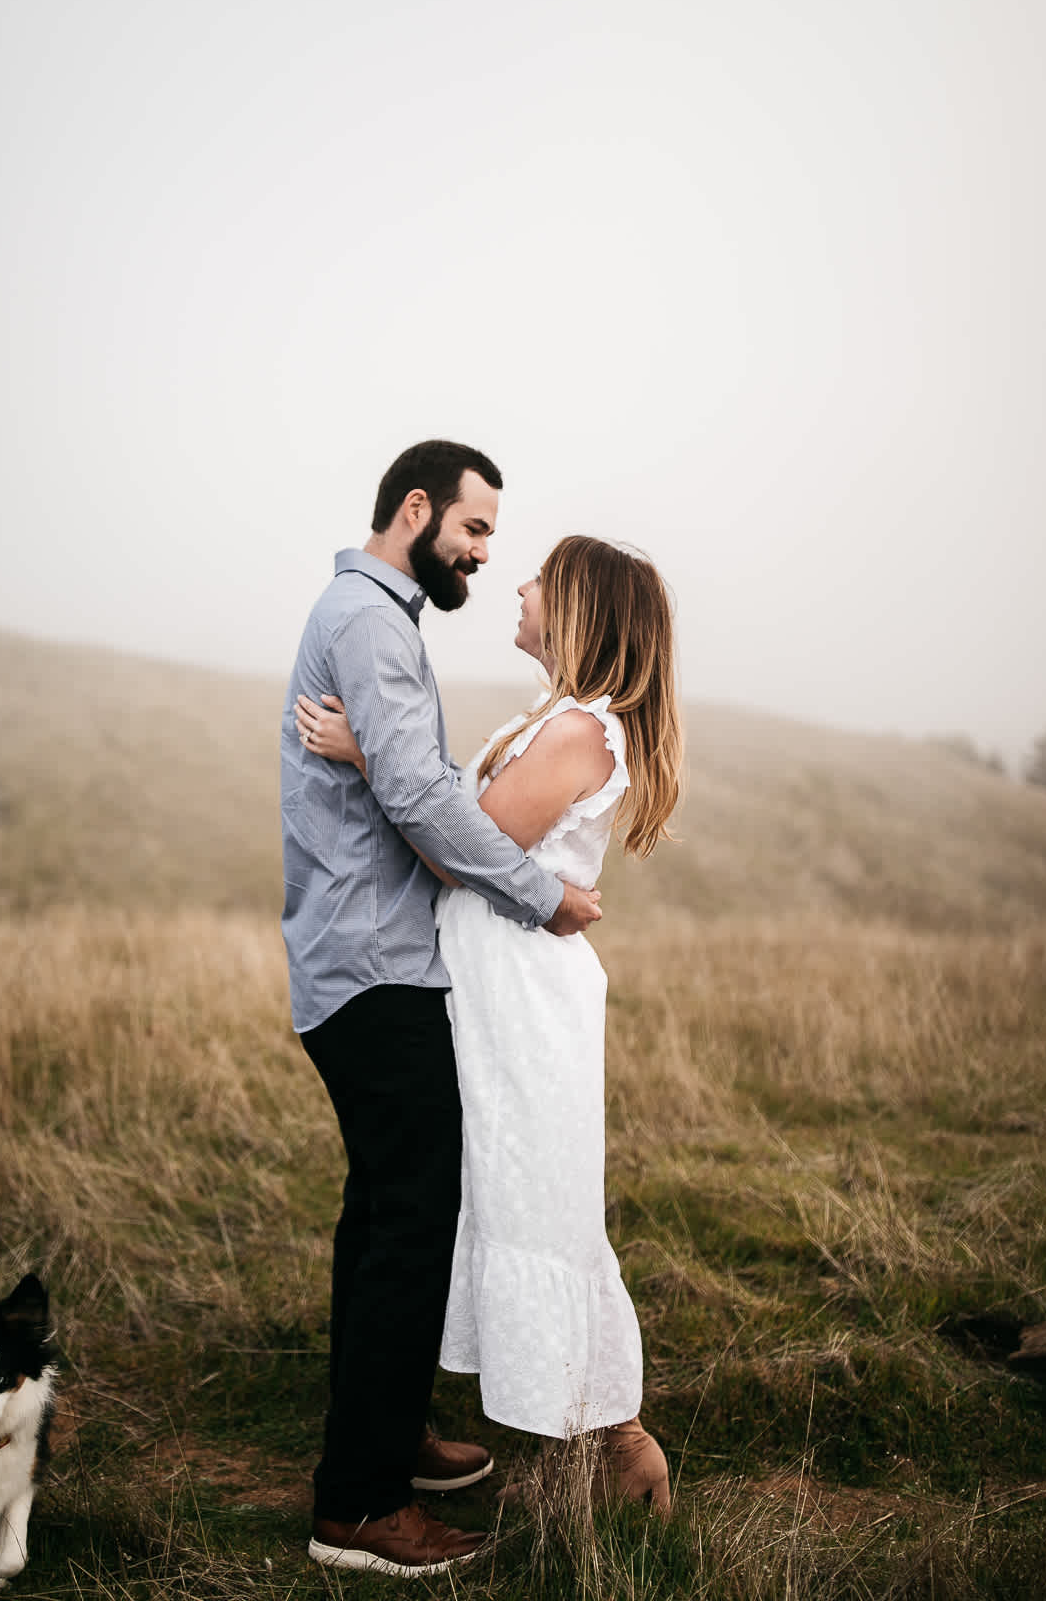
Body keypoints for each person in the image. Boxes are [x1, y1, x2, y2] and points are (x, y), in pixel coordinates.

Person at [296, 533, 684, 1517]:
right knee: (478, 1186)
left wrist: (367, 752)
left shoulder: (582, 734)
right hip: (486, 977)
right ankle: (431, 1420)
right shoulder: (552, 719)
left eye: (541, 581)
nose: (517, 585)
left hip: (520, 992)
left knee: (536, 1197)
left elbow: (454, 851)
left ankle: (623, 1444)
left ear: (580, 609)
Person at [279, 442, 604, 1577]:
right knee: (411, 1223)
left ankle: (386, 1434)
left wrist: (377, 754)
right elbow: (422, 795)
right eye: (473, 530)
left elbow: (408, 777)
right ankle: (360, 1505)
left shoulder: (372, 615)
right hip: (375, 970)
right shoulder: (371, 622)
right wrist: (542, 896)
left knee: (384, 1216)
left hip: (361, 962)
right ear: (416, 509)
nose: (480, 553)